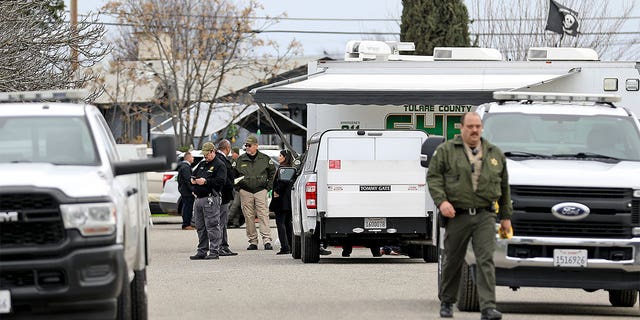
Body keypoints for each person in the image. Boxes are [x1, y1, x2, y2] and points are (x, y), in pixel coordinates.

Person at [427, 112, 512, 320]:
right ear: (461, 128)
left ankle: (488, 307)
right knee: (453, 259)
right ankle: (447, 302)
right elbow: (434, 177)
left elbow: (504, 186)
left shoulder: (494, 154)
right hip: (458, 215)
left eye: (478, 126)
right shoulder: (446, 151)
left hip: (485, 215)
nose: (474, 130)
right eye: (470, 126)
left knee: (486, 260)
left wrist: (506, 217)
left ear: (482, 128)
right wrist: (442, 202)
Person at [233, 135, 275, 250]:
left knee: (263, 215)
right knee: (248, 216)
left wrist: (268, 187)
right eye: (246, 145)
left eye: (249, 145)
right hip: (245, 191)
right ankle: (253, 241)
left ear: (256, 146)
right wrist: (239, 188)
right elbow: (234, 175)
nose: (247, 147)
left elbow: (273, 173)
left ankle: (267, 240)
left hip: (261, 190)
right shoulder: (240, 160)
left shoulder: (265, 159)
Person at [189, 142, 227, 260]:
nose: (205, 157)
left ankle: (214, 251)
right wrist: (193, 181)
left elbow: (221, 182)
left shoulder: (219, 165)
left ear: (213, 151)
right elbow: (194, 174)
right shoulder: (202, 164)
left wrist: (205, 181)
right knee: (200, 226)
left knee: (212, 225)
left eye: (207, 154)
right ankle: (202, 250)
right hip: (199, 198)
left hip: (211, 198)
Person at [270, 150, 295, 255]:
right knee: (288, 224)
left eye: (280, 155)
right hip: (289, 200)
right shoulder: (291, 168)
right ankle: (291, 245)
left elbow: (283, 182)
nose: (279, 157)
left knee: (281, 224)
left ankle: (285, 247)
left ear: (285, 157)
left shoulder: (283, 169)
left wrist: (276, 190)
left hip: (281, 200)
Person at [216, 139, 238, 256]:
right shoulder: (220, 160)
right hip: (222, 195)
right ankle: (221, 246)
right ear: (227, 148)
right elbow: (224, 179)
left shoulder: (220, 159)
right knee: (221, 221)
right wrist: (232, 185)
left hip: (223, 194)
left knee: (222, 221)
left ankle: (224, 245)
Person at [177, 151, 195, 230]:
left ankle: (187, 223)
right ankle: (186, 224)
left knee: (187, 207)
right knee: (188, 207)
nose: (193, 158)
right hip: (187, 191)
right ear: (188, 158)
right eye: (192, 157)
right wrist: (192, 189)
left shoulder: (183, 166)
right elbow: (188, 180)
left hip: (184, 190)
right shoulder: (186, 167)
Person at [227, 146, 244, 228]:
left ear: (236, 153)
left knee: (235, 204)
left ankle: (227, 220)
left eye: (233, 153)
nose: (232, 154)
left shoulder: (240, 162)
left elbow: (241, 175)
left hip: (239, 187)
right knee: (235, 205)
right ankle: (236, 222)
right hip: (233, 186)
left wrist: (236, 182)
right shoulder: (232, 161)